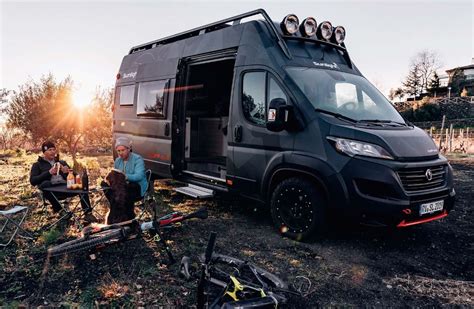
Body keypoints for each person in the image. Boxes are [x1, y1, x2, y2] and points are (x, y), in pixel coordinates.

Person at [29, 141, 96, 222]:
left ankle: (88, 213)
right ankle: (61, 211)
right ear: (44, 152)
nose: (53, 152)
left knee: (82, 187)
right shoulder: (37, 165)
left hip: (66, 187)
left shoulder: (62, 162)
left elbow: (76, 176)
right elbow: (33, 181)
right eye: (50, 150)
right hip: (52, 190)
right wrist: (48, 173)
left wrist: (68, 172)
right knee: (45, 184)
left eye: (54, 149)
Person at [113, 137, 147, 201]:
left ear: (129, 149)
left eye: (123, 150)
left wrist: (124, 176)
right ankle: (116, 207)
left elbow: (139, 176)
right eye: (118, 151)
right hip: (122, 186)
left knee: (128, 188)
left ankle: (124, 208)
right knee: (104, 184)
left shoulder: (137, 159)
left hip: (137, 187)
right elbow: (116, 174)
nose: (120, 153)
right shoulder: (117, 161)